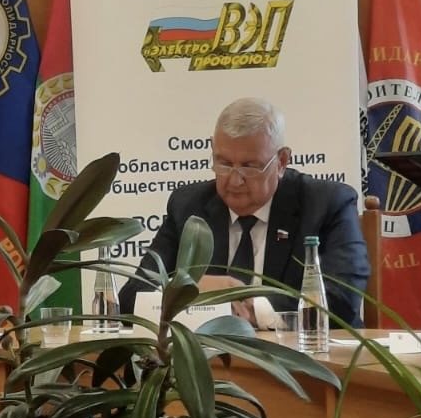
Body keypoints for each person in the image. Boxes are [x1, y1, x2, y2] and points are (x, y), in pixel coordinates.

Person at [118, 97, 370, 327]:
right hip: (209, 355)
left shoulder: (326, 203)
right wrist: (187, 289)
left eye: (250, 166)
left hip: (304, 355)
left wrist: (246, 304)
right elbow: (132, 296)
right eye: (224, 163)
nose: (234, 180)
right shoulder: (189, 206)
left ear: (281, 162)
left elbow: (342, 300)